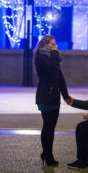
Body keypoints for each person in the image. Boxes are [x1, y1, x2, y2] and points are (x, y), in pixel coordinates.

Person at [34, 35, 70, 166]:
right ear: (45, 45)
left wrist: (66, 95)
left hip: (54, 96)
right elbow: (49, 70)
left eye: (55, 44)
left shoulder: (53, 58)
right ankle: (47, 155)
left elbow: (60, 78)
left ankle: (47, 154)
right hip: (45, 96)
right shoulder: (40, 57)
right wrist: (55, 54)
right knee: (48, 126)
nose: (55, 46)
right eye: (52, 44)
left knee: (51, 127)